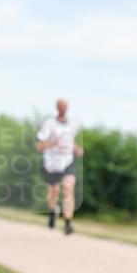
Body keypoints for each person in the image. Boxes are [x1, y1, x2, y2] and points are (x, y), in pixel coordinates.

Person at [36, 98, 83, 235]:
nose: (63, 109)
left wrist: (77, 149)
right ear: (57, 108)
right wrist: (51, 143)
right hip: (51, 163)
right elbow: (39, 146)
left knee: (68, 187)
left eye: (66, 107)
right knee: (53, 192)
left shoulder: (73, 124)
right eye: (61, 107)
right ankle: (52, 211)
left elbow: (70, 141)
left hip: (67, 161)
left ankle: (68, 223)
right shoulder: (49, 124)